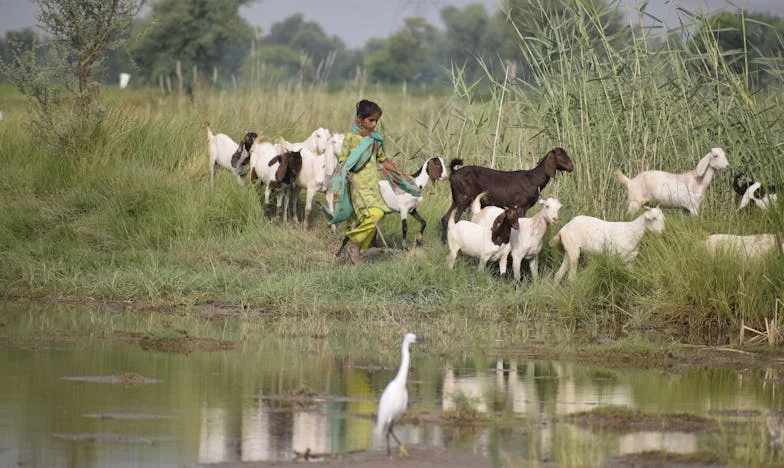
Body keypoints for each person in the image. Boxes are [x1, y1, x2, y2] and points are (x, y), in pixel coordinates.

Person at [327, 99, 421, 265]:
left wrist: (401, 174)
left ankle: (356, 254)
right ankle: (355, 245)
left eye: (376, 120)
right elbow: (343, 162)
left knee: (378, 215)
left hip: (372, 186)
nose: (374, 123)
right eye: (371, 120)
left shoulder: (376, 139)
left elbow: (383, 160)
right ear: (360, 119)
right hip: (357, 186)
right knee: (374, 214)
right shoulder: (350, 138)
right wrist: (346, 174)